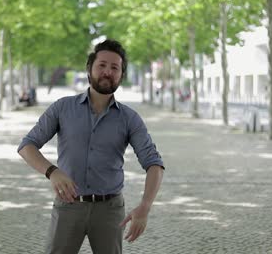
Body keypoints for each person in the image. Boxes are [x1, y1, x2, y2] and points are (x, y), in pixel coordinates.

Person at [17, 39, 165, 254]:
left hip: (110, 210)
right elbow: (27, 146)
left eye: (115, 68)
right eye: (102, 65)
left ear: (121, 76)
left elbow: (154, 164)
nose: (107, 72)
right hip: (68, 207)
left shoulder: (129, 118)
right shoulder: (62, 108)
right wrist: (52, 172)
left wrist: (145, 206)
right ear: (89, 69)